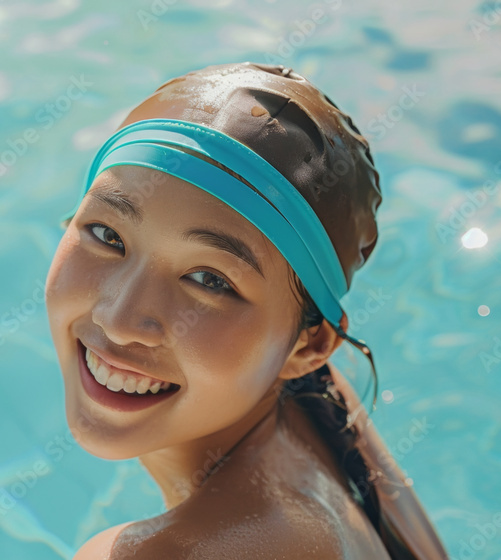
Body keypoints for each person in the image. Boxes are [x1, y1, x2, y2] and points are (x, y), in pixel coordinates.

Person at [44, 61, 448, 559]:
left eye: (209, 280)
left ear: (310, 345)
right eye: (108, 236)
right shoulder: (321, 406)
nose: (119, 319)